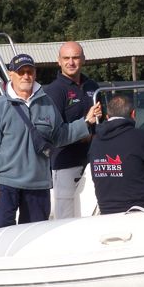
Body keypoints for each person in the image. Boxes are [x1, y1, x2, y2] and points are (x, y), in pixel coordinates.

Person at [0, 53, 101, 229]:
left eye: (30, 71)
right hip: (5, 184)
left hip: (38, 184)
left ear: (35, 74)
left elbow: (60, 135)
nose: (26, 76)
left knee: (34, 233)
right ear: (11, 74)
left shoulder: (47, 103)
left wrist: (86, 122)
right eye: (21, 72)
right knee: (0, 230)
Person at [44, 41, 99, 219]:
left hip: (95, 161)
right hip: (65, 163)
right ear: (58, 61)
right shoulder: (54, 90)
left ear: (83, 59)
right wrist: (85, 127)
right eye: (66, 58)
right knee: (65, 218)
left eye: (75, 57)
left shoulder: (93, 87)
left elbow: (102, 121)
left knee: (95, 214)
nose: (71, 62)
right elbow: (54, 133)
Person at [89, 95, 144, 214]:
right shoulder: (142, 137)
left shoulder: (95, 141)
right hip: (143, 206)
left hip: (106, 211)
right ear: (133, 114)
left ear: (108, 117)